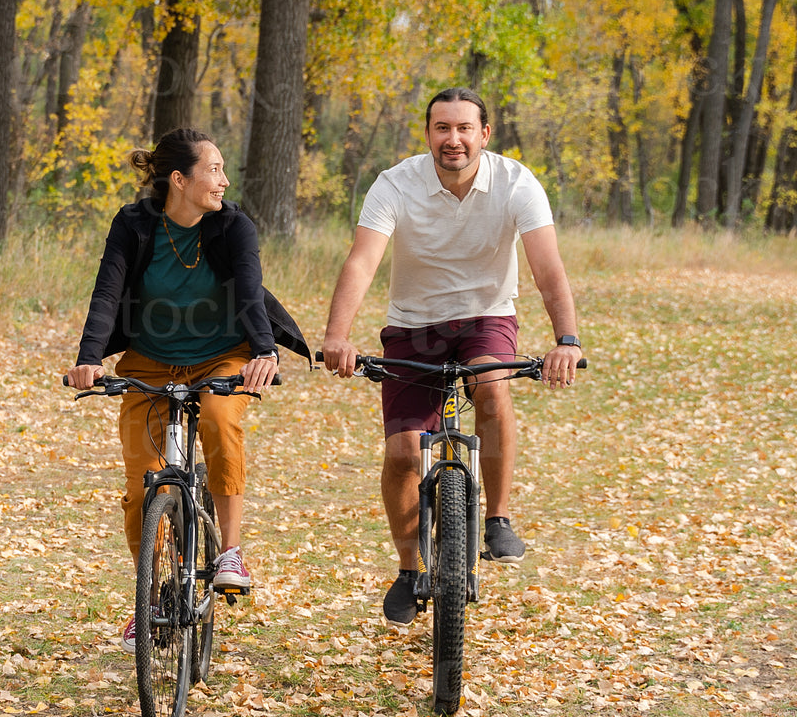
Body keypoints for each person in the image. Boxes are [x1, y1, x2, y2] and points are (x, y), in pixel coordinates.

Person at [318, 87, 582, 626]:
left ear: (485, 134)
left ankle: (498, 518)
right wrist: (338, 334)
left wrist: (567, 340)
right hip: (413, 327)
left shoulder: (516, 183)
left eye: (465, 129)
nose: (453, 139)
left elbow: (546, 267)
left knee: (491, 385)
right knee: (401, 453)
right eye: (442, 128)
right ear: (428, 134)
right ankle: (409, 568)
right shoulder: (395, 184)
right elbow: (363, 261)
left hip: (487, 317)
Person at [65, 128, 311, 653]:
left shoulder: (232, 225)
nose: (224, 181)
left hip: (221, 354)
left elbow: (249, 285)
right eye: (213, 170)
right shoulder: (133, 225)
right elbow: (108, 288)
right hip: (150, 360)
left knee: (222, 422)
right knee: (141, 488)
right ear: (179, 179)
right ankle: (149, 601)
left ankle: (229, 554)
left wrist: (263, 351)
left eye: (223, 170)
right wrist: (89, 358)